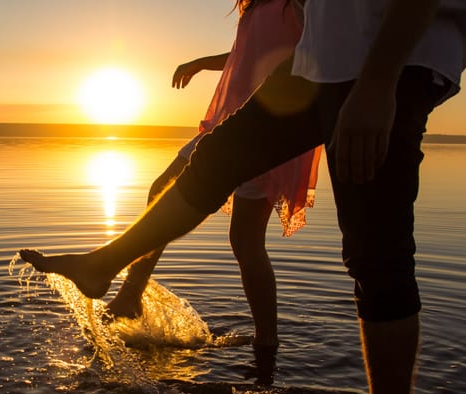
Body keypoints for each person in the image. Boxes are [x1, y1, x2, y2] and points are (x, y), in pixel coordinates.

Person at [20, 0, 466, 394]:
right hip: (314, 69)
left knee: (374, 251)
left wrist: (377, 85)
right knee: (213, 162)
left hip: (389, 68)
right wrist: (293, 63)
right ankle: (105, 265)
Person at [107, 0, 322, 357]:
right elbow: (247, 54)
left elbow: (312, 47)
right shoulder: (254, 6)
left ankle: (267, 340)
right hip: (231, 122)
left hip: (271, 127)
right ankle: (131, 293)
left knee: (245, 239)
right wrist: (202, 63)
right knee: (164, 188)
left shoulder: (296, 2)